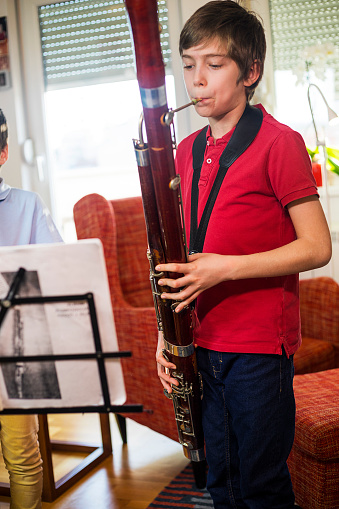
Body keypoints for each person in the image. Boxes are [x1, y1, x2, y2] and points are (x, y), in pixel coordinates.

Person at [155, 2, 332, 508]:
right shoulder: (184, 149)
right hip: (200, 340)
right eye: (189, 65)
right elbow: (173, 255)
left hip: (258, 346)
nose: (197, 82)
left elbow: (317, 247)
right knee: (219, 480)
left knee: (261, 484)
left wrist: (225, 268)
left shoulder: (280, 142)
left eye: (214, 65)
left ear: (250, 71)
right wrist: (164, 334)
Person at [0, 108, 63, 509]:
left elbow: (60, 269)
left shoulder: (27, 204)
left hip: (17, 348)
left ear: (2, 154)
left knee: (22, 457)